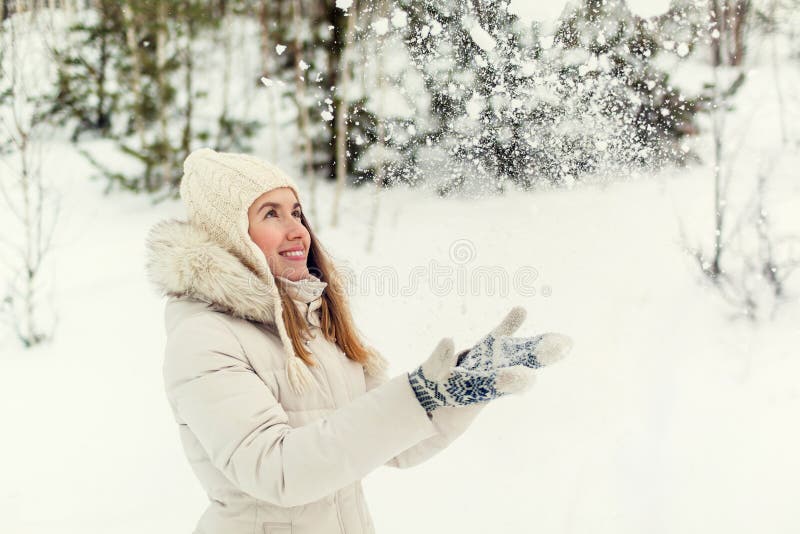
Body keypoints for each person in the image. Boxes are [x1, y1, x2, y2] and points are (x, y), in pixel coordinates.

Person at [145, 148, 572, 534]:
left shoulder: (310, 321)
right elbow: (278, 471)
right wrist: (414, 397)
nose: (297, 230)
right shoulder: (204, 339)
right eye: (270, 214)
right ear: (229, 235)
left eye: (296, 212)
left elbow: (394, 444)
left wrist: (454, 390)